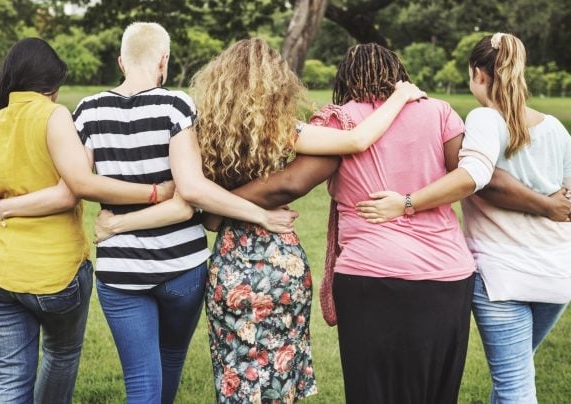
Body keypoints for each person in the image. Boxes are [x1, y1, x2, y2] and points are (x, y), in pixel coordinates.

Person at [0, 26, 299, 404]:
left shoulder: (87, 111)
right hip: (182, 266)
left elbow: (75, 185)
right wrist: (261, 214)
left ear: (120, 62)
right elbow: (190, 191)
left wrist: (8, 208)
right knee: (171, 358)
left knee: (141, 381)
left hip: (120, 270)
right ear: (164, 60)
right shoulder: (176, 106)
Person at [92, 37, 426, 402]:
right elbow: (358, 139)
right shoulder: (281, 130)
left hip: (230, 266)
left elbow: (206, 216)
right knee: (281, 377)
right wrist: (399, 96)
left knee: (237, 375)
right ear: (277, 82)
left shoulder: (202, 133)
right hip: (280, 262)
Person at [357, 33, 571, 403]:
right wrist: (548, 204)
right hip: (556, 275)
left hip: (502, 277)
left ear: (478, 74)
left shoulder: (485, 118)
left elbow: (474, 176)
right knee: (516, 378)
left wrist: (406, 202)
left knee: (514, 388)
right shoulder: (555, 128)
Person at [0, 37, 180, 404]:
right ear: (51, 85)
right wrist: (153, 192)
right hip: (55, 274)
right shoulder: (54, 116)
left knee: (9, 374)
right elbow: (75, 188)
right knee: (62, 352)